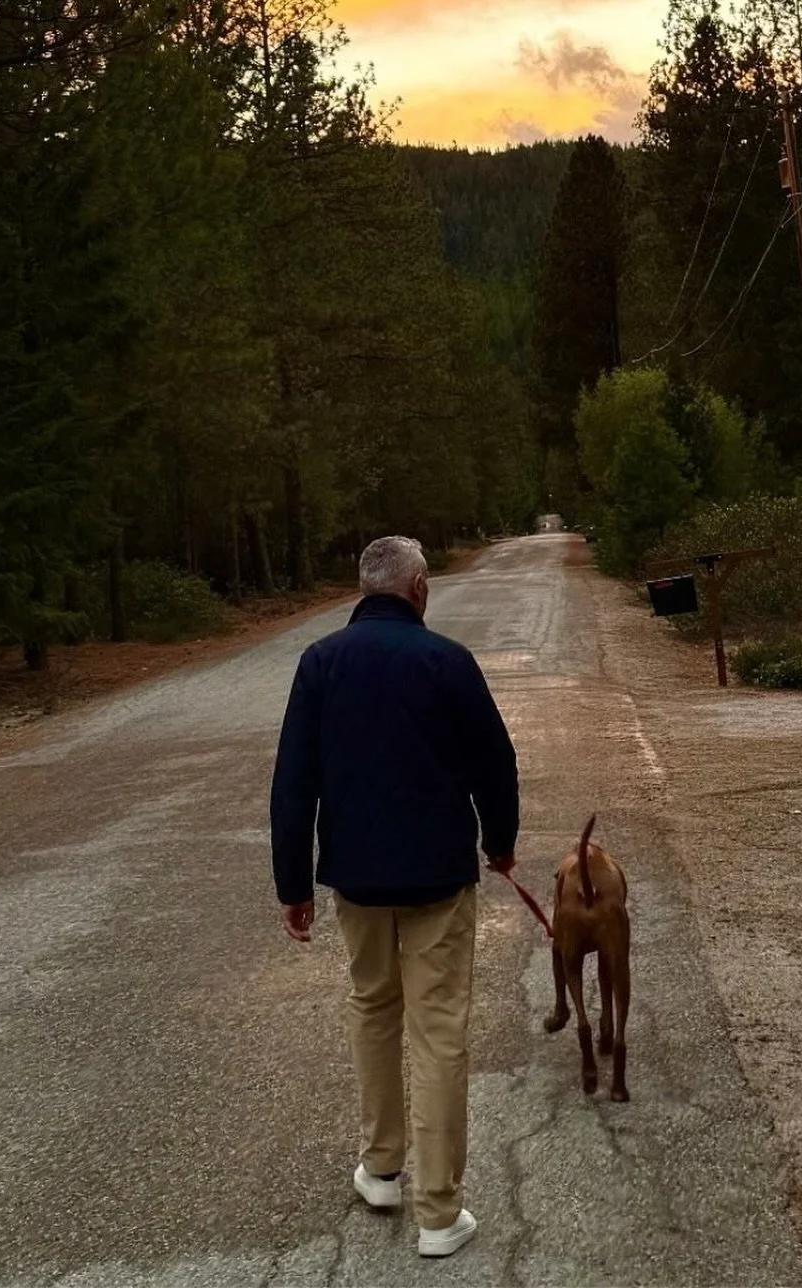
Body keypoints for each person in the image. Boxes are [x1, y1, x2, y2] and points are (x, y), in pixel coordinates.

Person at [270, 535, 519, 1258]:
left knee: (373, 1010)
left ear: (365, 590)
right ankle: (438, 1214)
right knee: (438, 1032)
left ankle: (381, 1168)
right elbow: (494, 764)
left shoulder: (320, 665)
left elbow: (294, 784)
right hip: (439, 877)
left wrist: (294, 883)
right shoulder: (447, 662)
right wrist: (500, 843)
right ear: (418, 591)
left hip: (356, 877)